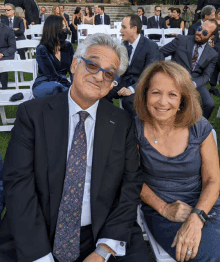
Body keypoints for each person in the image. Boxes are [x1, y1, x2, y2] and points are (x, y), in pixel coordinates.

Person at [2, 33, 153, 262]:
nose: (98, 76)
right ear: (74, 64)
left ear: (113, 83)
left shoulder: (121, 123)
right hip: (37, 230)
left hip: (102, 230)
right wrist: (40, 256)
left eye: (109, 73)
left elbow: (130, 185)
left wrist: (103, 250)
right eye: (92, 65)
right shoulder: (32, 115)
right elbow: (18, 183)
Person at [134, 60, 220, 262]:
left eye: (172, 94)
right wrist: (164, 208)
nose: (163, 102)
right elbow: (131, 178)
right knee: (209, 254)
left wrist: (197, 218)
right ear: (145, 94)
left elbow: (213, 180)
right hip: (165, 212)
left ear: (182, 98)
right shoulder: (135, 130)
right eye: (156, 92)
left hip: (206, 206)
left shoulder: (199, 127)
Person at [159, 19, 218, 119]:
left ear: (211, 37)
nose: (199, 33)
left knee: (209, 104)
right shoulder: (181, 40)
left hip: (195, 81)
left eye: (204, 33)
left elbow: (206, 75)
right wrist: (164, 71)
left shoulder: (212, 54)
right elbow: (160, 52)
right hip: (175, 77)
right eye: (199, 29)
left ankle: (198, 127)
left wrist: (194, 84)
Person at [105, 15, 159, 117]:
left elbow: (150, 74)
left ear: (134, 29)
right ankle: (112, 120)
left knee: (128, 101)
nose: (120, 31)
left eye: (124, 27)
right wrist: (114, 81)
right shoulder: (124, 44)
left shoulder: (151, 47)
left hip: (140, 84)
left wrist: (132, 89)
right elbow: (119, 69)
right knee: (103, 92)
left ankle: (138, 128)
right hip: (123, 82)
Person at [32, 15, 74, 99]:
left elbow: (73, 69)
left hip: (63, 83)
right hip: (45, 83)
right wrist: (70, 87)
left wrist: (75, 85)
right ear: (54, 29)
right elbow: (51, 75)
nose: (66, 30)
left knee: (62, 90)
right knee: (57, 88)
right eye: (63, 26)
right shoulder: (42, 49)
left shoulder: (68, 46)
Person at [0, 21, 16, 90]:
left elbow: (12, 47)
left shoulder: (8, 29)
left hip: (6, 54)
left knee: (2, 64)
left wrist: (2, 54)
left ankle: (4, 88)